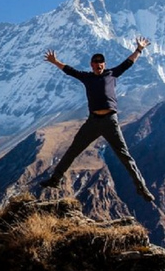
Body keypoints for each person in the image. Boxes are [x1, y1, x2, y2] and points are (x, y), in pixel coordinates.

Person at [40, 37, 155, 202]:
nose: (99, 64)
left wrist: (139, 49)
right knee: (73, 150)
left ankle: (142, 189)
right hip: (93, 122)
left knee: (125, 156)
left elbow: (128, 63)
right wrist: (54, 61)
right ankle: (55, 180)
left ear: (104, 64)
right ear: (92, 65)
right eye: (96, 62)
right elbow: (69, 70)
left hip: (110, 121)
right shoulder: (87, 77)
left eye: (101, 62)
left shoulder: (112, 74)